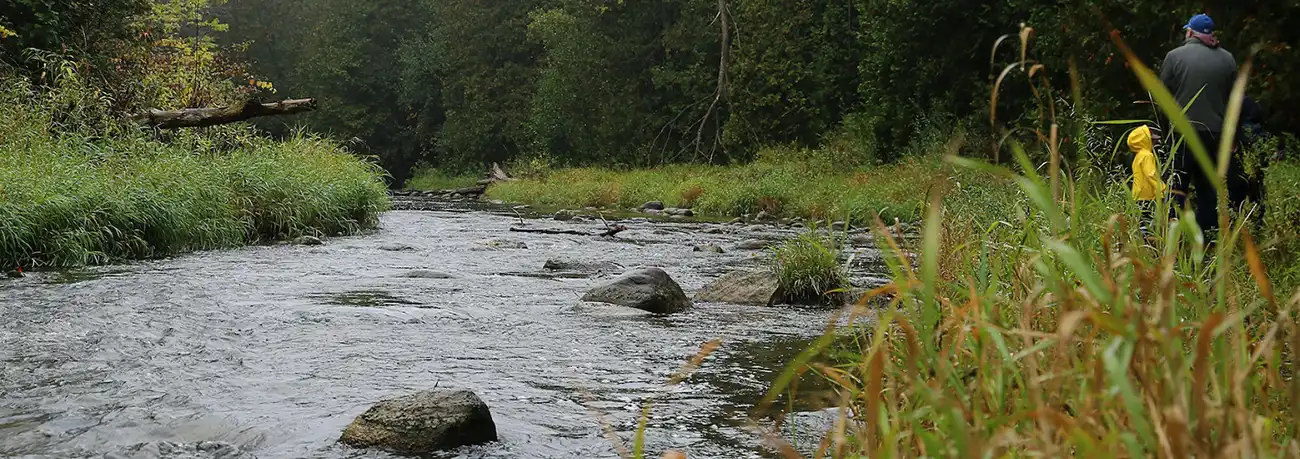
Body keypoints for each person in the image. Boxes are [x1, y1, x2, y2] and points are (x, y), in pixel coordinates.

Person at [1159, 13, 1238, 234]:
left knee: (1176, 190)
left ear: (1190, 33)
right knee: (1208, 193)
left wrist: (1166, 133)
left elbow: (1162, 100)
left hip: (1181, 135)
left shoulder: (1174, 57)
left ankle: (1173, 245)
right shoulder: (1227, 59)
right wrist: (1233, 137)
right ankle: (1208, 247)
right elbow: (1235, 102)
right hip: (1214, 136)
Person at [1129, 125, 1167, 238]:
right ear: (1145, 141)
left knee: (1141, 224)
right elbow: (1151, 174)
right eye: (1153, 140)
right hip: (1147, 196)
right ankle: (1148, 248)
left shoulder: (1138, 156)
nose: (1155, 143)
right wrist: (1162, 187)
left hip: (1137, 195)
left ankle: (1140, 247)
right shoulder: (1147, 155)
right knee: (1148, 225)